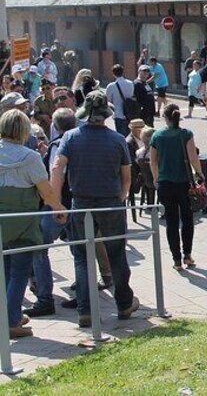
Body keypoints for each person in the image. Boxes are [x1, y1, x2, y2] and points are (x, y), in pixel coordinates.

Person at [51, 91, 138, 328]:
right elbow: (126, 176)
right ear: (105, 114)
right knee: (116, 253)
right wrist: (122, 195)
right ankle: (124, 303)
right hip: (110, 201)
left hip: (81, 203)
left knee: (82, 256)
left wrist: (56, 202)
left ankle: (86, 310)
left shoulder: (70, 137)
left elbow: (57, 168)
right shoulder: (117, 138)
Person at [0, 110, 66, 338]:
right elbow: (46, 191)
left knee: (7, 268)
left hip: (2, 220)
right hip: (23, 220)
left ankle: (10, 313)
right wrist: (59, 209)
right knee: (20, 269)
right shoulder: (29, 157)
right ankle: (10, 321)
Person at [27, 108, 75, 319]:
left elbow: (56, 175)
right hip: (78, 204)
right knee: (81, 250)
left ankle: (45, 299)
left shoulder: (59, 145)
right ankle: (84, 295)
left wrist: (56, 207)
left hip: (58, 206)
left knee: (39, 248)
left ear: (54, 126)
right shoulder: (80, 141)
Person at [150, 104, 204, 270]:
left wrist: (156, 178)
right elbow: (193, 158)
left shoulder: (157, 136)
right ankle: (187, 254)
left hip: (165, 183)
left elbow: (153, 161)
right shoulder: (186, 134)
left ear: (165, 117)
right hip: (184, 183)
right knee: (187, 219)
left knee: (171, 222)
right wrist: (199, 174)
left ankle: (176, 260)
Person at [105, 64, 135, 137]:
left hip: (119, 114)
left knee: (121, 136)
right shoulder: (130, 83)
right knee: (130, 136)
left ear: (113, 74)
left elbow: (108, 100)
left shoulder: (111, 86)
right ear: (123, 72)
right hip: (130, 113)